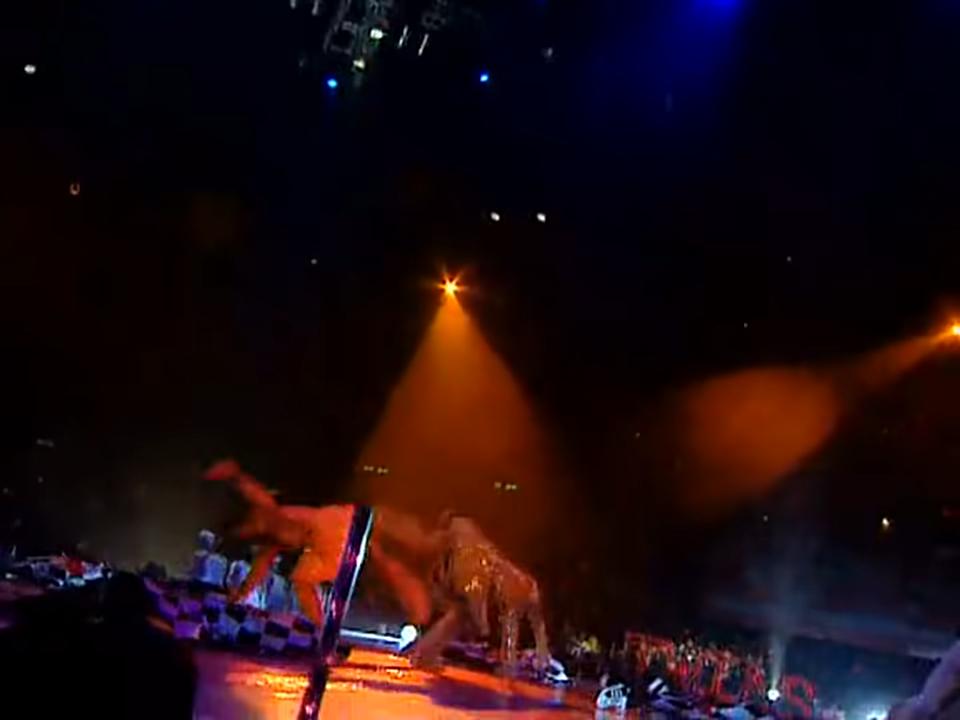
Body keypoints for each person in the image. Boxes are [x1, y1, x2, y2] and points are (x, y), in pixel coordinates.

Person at [204, 458, 434, 627]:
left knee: (379, 552)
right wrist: (240, 595)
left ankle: (423, 550)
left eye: (243, 530)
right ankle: (321, 628)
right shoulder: (270, 540)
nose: (246, 534)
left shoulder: (270, 514)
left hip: (330, 527)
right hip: (327, 539)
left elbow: (256, 493)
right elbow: (260, 568)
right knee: (303, 579)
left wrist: (234, 475)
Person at [412, 511, 551, 674]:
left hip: (470, 574)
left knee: (459, 618)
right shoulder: (472, 539)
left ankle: (425, 654)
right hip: (471, 575)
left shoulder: (467, 537)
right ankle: (424, 654)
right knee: (462, 618)